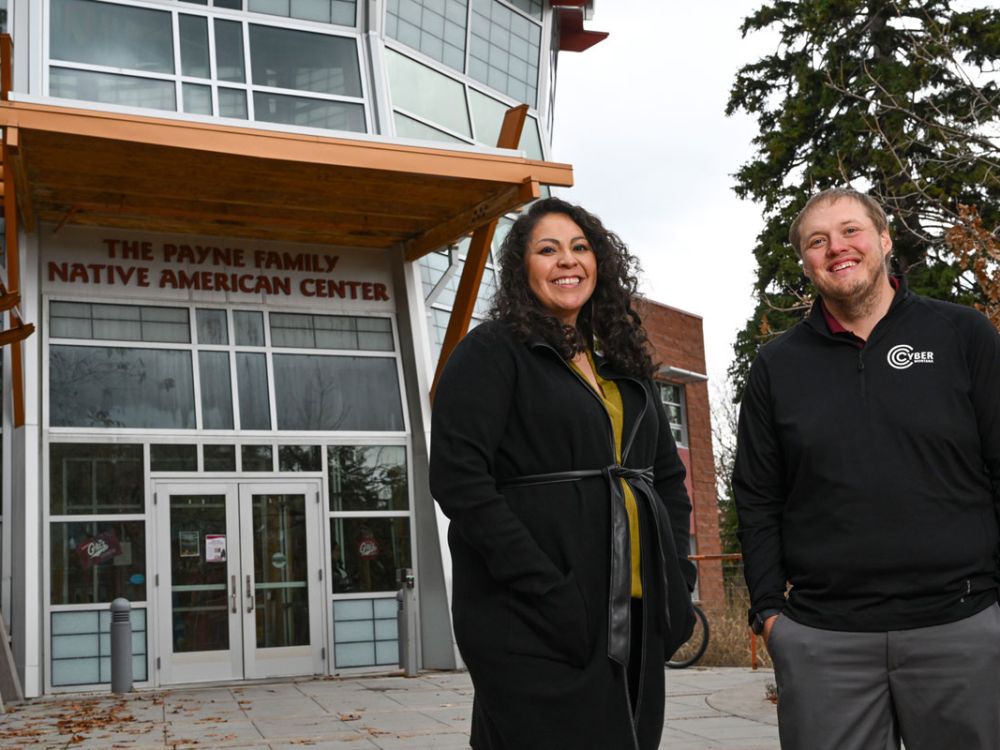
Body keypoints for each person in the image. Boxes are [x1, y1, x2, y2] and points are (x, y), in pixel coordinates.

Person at [733, 187, 1000, 750]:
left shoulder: (963, 335)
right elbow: (757, 496)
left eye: (851, 231)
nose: (837, 248)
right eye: (818, 240)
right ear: (805, 261)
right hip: (823, 640)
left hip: (963, 625)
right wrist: (770, 615)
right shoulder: (777, 366)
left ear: (883, 239)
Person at [429, 197, 697, 749]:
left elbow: (666, 479)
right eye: (547, 250)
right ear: (522, 268)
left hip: (638, 610)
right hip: (534, 614)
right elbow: (459, 480)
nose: (567, 261)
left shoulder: (622, 364)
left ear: (600, 262)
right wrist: (546, 590)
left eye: (580, 248)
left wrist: (678, 579)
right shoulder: (493, 351)